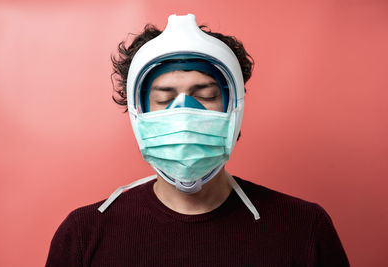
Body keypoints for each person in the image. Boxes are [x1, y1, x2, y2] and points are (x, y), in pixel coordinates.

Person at [46, 14, 349, 266]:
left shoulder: (304, 228)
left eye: (205, 96)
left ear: (234, 108)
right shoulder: (84, 234)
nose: (185, 113)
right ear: (139, 114)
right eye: (164, 99)